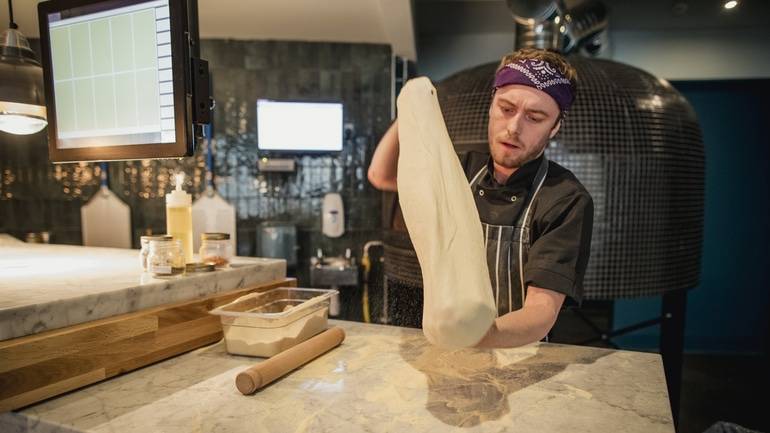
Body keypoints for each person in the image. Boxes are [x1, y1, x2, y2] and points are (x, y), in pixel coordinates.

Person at [367, 48, 594, 348]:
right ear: (491, 105)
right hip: (448, 343)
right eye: (506, 108)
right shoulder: (459, 168)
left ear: (555, 127)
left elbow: (542, 310)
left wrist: (478, 335)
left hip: (518, 354)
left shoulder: (565, 199)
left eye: (535, 117)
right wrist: (414, 107)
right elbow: (381, 176)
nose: (514, 128)